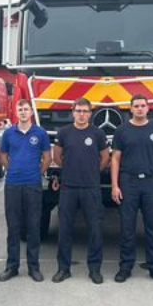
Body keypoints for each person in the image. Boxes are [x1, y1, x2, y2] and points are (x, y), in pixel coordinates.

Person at [111, 93, 153, 284]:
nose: (140, 109)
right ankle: (125, 267)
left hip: (151, 183)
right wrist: (115, 185)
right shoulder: (121, 131)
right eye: (136, 106)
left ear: (148, 108)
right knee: (127, 228)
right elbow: (116, 159)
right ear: (131, 108)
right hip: (129, 182)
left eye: (143, 105)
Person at [52, 97, 109, 284]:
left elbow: (105, 158)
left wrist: (92, 171)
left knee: (95, 230)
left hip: (91, 188)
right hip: (68, 187)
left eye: (85, 111)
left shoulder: (98, 134)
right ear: (73, 112)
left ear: (90, 114)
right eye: (78, 111)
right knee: (65, 230)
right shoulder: (64, 132)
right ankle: (63, 268)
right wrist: (68, 170)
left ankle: (94, 269)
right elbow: (57, 156)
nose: (81, 114)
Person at [0, 99, 51, 282]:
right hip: (12, 184)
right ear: (16, 112)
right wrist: (12, 169)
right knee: (13, 227)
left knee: (33, 226)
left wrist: (38, 173)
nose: (22, 112)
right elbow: (3, 155)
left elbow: (47, 157)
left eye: (26, 109)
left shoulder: (40, 133)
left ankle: (33, 267)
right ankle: (12, 266)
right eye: (19, 109)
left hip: (33, 185)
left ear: (31, 112)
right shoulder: (8, 133)